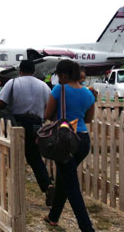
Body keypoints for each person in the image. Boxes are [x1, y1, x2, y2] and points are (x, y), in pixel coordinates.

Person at [43, 59, 95, 231]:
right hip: (83, 141)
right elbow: (88, 119)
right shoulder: (88, 93)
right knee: (64, 178)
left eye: (58, 75)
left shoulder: (59, 89)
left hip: (65, 141)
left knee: (71, 185)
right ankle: (53, 216)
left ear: (63, 75)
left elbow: (48, 114)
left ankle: (87, 227)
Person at [0, 60, 54, 206]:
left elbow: (0, 103)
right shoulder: (43, 86)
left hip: (16, 123)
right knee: (35, 158)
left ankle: (13, 188)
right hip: (36, 125)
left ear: (20, 70)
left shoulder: (13, 83)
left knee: (12, 156)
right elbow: (49, 108)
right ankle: (47, 185)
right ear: (34, 71)